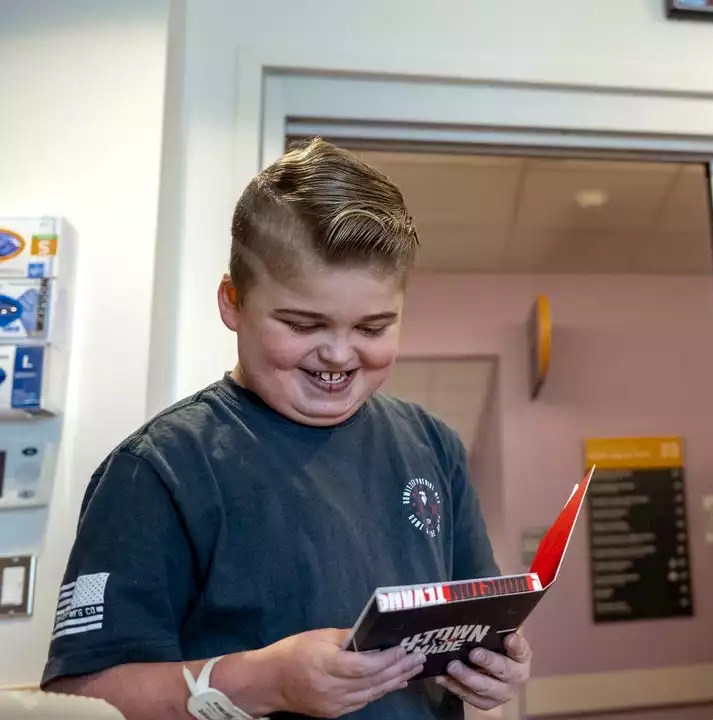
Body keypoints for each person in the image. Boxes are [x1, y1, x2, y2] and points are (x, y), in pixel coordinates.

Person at [40, 138, 530, 720]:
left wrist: (498, 664)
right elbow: (76, 698)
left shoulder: (434, 445)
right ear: (233, 302)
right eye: (303, 324)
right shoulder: (159, 469)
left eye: (373, 328)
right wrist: (262, 681)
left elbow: (475, 620)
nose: (340, 354)